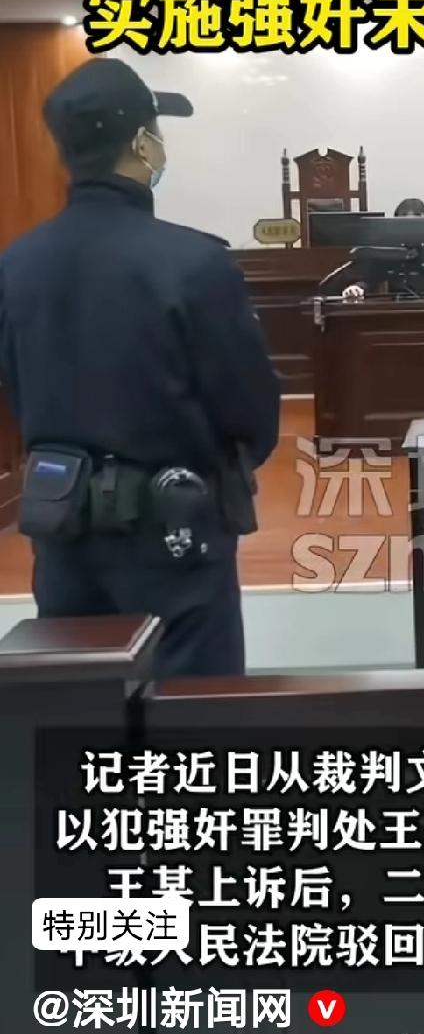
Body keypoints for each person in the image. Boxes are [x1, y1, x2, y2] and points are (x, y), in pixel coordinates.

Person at [0, 58, 281, 678]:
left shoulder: (16, 265)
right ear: (141, 143)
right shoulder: (194, 264)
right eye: (157, 130)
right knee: (191, 711)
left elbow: (17, 392)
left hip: (63, 527)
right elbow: (251, 413)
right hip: (174, 534)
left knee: (78, 698)